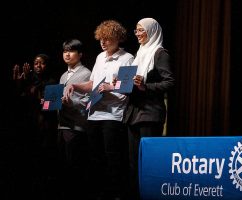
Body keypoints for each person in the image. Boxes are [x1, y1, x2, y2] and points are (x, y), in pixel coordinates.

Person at [64, 20, 134, 200]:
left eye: (107, 38)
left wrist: (110, 87)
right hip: (94, 114)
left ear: (117, 38)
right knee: (96, 157)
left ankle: (117, 193)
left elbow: (127, 86)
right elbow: (92, 84)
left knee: (113, 157)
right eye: (100, 39)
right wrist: (75, 85)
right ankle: (101, 192)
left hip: (113, 114)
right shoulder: (99, 57)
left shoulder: (127, 58)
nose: (103, 42)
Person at [123, 17, 175, 199]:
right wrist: (121, 84)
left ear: (151, 31)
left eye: (141, 30)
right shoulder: (139, 53)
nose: (137, 34)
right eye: (136, 30)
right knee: (133, 162)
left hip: (150, 113)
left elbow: (169, 82)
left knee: (148, 162)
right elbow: (134, 82)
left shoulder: (160, 53)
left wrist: (146, 86)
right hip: (134, 113)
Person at [12, 53, 59, 198]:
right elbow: (19, 101)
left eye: (42, 63)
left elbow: (54, 105)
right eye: (36, 63)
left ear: (47, 65)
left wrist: (42, 100)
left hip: (46, 125)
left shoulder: (52, 81)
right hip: (30, 125)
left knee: (45, 158)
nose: (38, 66)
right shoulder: (28, 80)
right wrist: (20, 83)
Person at [58, 38, 91, 200]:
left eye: (71, 51)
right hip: (62, 125)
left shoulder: (86, 73)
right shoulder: (63, 75)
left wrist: (71, 102)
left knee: (75, 167)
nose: (67, 54)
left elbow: (87, 102)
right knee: (63, 167)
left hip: (76, 126)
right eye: (65, 51)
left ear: (80, 54)